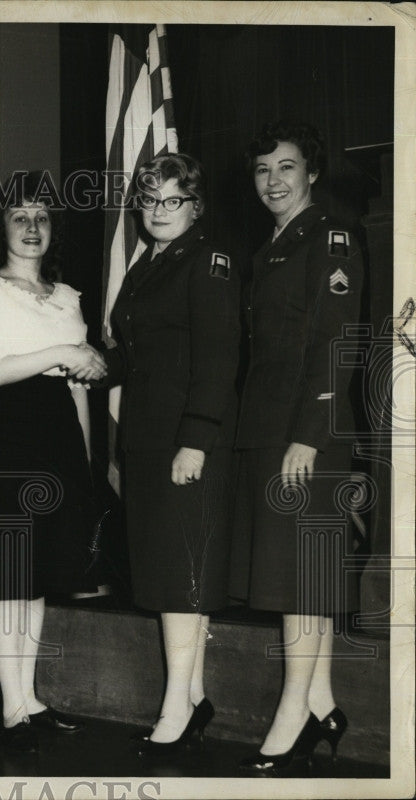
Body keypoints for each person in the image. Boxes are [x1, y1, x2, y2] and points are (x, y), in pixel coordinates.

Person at [0, 172, 106, 752]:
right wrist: (64, 352)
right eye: (20, 217)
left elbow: (77, 390)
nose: (33, 227)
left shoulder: (67, 297)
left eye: (43, 217)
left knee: (38, 572)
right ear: (2, 228)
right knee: (8, 573)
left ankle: (31, 698)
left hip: (58, 437)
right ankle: (11, 704)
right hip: (6, 434)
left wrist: (87, 464)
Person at [233, 121, 363, 773]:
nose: (274, 181)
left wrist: (308, 438)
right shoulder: (272, 247)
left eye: (286, 167)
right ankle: (322, 705)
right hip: (268, 428)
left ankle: (293, 716)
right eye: (262, 170)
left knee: (301, 578)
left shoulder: (329, 238)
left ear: (311, 172)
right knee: (296, 570)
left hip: (308, 431)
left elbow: (335, 343)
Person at [101, 154, 240, 757]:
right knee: (170, 572)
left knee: (184, 576)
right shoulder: (147, 266)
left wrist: (195, 438)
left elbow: (218, 357)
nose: (158, 211)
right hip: (148, 437)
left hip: (187, 441)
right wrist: (84, 364)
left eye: (172, 200)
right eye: (149, 200)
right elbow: (136, 356)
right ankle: (193, 698)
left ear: (196, 205)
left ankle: (175, 710)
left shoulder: (208, 262)